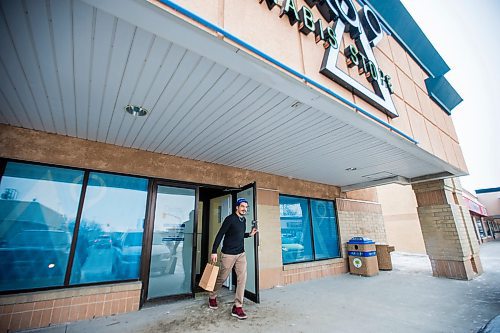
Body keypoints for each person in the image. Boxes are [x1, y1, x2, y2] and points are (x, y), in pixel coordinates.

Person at [208, 197, 258, 320]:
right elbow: (220, 234)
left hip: (241, 254)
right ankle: (212, 296)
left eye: (246, 207)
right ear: (237, 207)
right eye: (242, 206)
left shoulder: (243, 220)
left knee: (242, 279)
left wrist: (249, 234)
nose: (244, 209)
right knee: (222, 277)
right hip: (228, 254)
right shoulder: (230, 219)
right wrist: (214, 251)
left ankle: (238, 306)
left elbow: (239, 235)